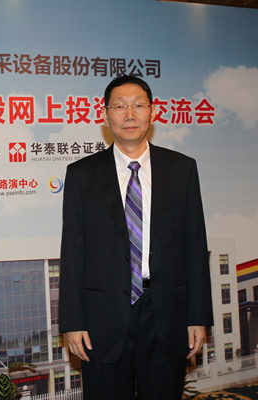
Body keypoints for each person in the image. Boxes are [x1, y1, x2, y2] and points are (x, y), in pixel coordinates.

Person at [59, 75, 213, 400]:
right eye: (120, 106)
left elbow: (195, 247)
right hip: (102, 314)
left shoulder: (182, 169)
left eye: (138, 105)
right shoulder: (82, 175)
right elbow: (73, 252)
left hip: (167, 310)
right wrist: (72, 321)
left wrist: (198, 316)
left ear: (152, 112)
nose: (129, 115)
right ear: (105, 115)